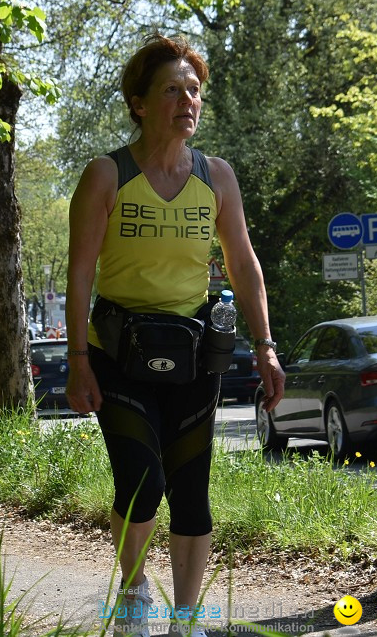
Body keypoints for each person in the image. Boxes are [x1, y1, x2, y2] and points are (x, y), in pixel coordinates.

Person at [65, 34, 285, 637]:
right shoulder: (107, 174)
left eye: (194, 91)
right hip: (118, 350)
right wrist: (77, 358)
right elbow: (80, 269)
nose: (187, 101)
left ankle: (187, 622)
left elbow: (243, 266)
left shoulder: (216, 177)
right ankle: (135, 592)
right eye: (173, 90)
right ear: (139, 102)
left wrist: (265, 346)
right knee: (142, 482)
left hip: (193, 355)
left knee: (191, 492)